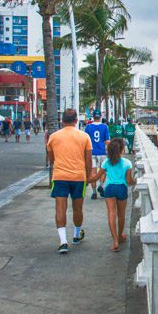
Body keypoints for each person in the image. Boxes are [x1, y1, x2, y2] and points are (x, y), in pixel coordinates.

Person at [46, 108, 93, 254]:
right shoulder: (84, 136)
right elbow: (88, 160)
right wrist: (88, 176)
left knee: (60, 208)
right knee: (78, 208)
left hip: (60, 176)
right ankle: (76, 235)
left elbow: (51, 158)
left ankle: (63, 241)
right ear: (76, 121)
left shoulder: (53, 137)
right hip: (79, 177)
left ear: (62, 121)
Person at [92, 138, 136, 252]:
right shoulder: (127, 163)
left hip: (109, 189)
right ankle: (120, 236)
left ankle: (115, 241)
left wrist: (85, 180)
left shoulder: (106, 162)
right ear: (121, 150)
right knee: (121, 215)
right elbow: (129, 181)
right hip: (122, 188)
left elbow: (97, 177)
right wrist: (136, 181)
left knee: (111, 214)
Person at [84, 109, 110, 200]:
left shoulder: (88, 127)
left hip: (91, 153)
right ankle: (101, 186)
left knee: (93, 173)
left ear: (93, 117)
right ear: (100, 117)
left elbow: (85, 141)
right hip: (102, 152)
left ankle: (94, 193)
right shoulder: (105, 127)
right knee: (103, 171)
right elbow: (107, 141)